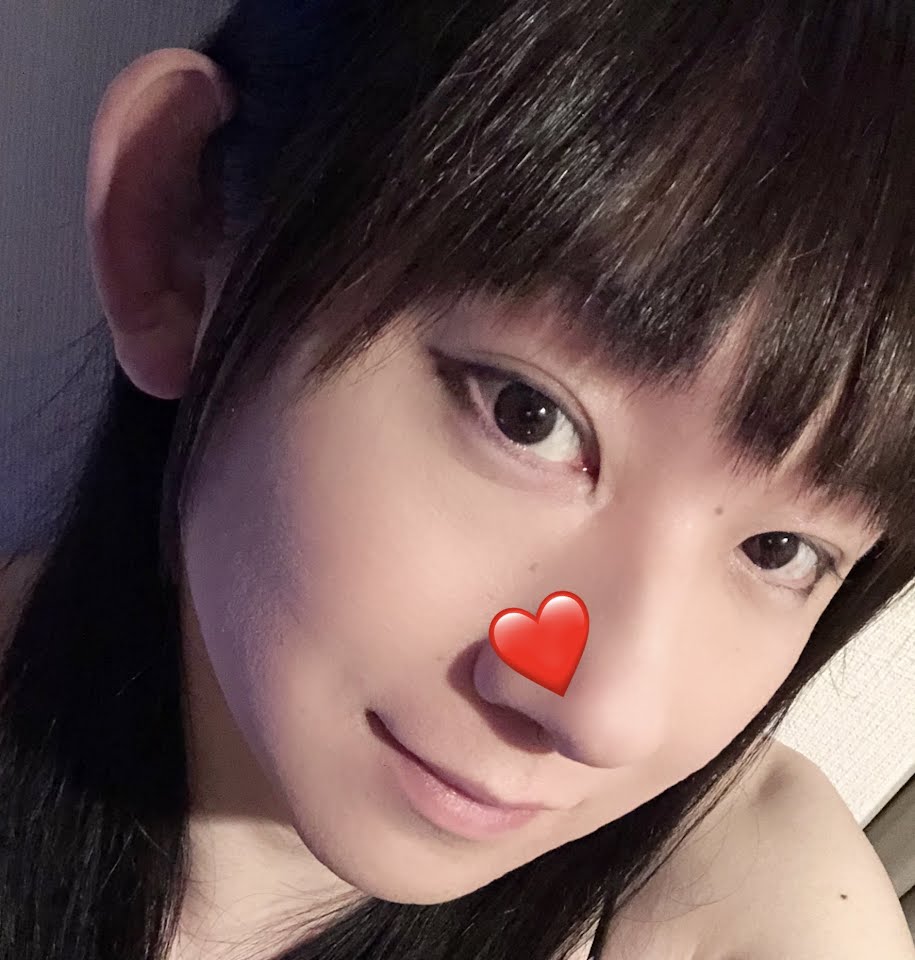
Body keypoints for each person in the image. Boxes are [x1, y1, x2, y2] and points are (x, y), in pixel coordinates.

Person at [1, 1, 913, 958]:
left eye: (779, 549)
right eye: (529, 416)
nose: (605, 716)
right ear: (178, 233)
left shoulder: (761, 921)